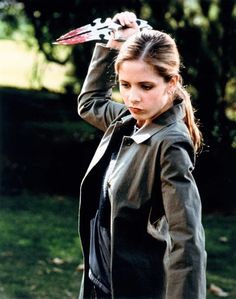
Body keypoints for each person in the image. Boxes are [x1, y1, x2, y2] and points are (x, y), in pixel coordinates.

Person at [77, 11, 206, 299]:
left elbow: (187, 239)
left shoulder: (170, 143)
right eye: (125, 85)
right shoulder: (126, 119)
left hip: (132, 290)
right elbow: (90, 103)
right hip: (98, 283)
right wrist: (111, 45)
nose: (133, 97)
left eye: (146, 86)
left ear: (171, 83)